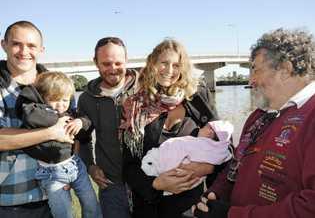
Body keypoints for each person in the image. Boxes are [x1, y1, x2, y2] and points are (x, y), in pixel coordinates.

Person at [193, 28, 315, 218]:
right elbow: (236, 165)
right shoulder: (258, 117)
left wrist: (231, 215)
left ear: (285, 70)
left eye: (256, 70)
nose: (251, 80)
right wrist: (216, 193)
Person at [120, 39, 223, 218]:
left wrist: (206, 168)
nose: (169, 70)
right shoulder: (135, 106)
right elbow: (129, 165)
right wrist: (156, 184)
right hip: (148, 205)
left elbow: (222, 143)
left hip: (190, 206)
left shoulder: (197, 98)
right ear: (153, 63)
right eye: (164, 63)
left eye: (176, 65)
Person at [0, 21, 73, 217]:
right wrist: (50, 132)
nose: (24, 51)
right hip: (10, 200)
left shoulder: (57, 84)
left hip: (53, 196)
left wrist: (66, 169)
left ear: (41, 49)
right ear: (3, 45)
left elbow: (74, 130)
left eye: (31, 45)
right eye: (16, 43)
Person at [17, 71, 101, 218]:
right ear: (42, 98)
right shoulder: (38, 114)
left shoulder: (70, 114)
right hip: (52, 174)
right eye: (54, 99)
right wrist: (62, 121)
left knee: (92, 206)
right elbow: (30, 114)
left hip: (76, 167)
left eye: (65, 100)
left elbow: (87, 128)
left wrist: (80, 122)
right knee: (64, 214)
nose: (61, 105)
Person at [77, 37, 138, 218]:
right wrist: (90, 166)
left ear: (127, 60)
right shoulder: (86, 99)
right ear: (95, 62)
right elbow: (83, 139)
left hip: (147, 181)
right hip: (111, 185)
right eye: (106, 63)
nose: (113, 69)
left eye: (118, 63)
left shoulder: (145, 89)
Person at [141, 120, 233, 196]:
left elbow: (229, 148)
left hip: (185, 196)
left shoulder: (198, 106)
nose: (201, 128)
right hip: (149, 187)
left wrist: (209, 168)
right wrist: (156, 184)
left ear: (210, 132)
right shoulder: (138, 116)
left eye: (205, 126)